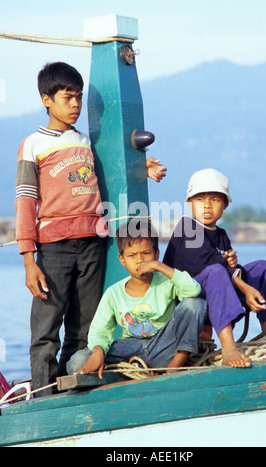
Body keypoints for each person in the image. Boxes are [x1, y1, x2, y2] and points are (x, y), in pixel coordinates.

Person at [15, 62, 166, 396]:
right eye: (67, 97)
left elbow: (109, 171)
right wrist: (28, 258)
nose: (75, 105)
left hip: (92, 242)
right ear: (46, 100)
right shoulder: (33, 144)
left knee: (84, 327)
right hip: (53, 246)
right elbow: (25, 200)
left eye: (79, 97)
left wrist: (142, 166)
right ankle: (42, 396)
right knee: (47, 325)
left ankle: (73, 390)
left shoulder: (86, 142)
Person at [163, 168, 266, 368]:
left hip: (214, 296)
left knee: (263, 268)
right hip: (188, 306)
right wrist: (244, 287)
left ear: (225, 204)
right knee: (216, 272)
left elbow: (229, 267)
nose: (207, 205)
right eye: (200, 199)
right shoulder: (187, 228)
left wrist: (236, 271)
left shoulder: (221, 235)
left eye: (214, 200)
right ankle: (228, 348)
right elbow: (210, 265)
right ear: (189, 203)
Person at [67, 220, 207, 377]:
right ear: (122, 259)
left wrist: (160, 267)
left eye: (146, 254)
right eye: (132, 255)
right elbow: (99, 330)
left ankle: (176, 364)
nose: (140, 260)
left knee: (195, 303)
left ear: (156, 254)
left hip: (164, 346)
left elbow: (194, 290)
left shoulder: (167, 281)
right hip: (128, 350)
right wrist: (98, 350)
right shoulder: (114, 293)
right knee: (78, 361)